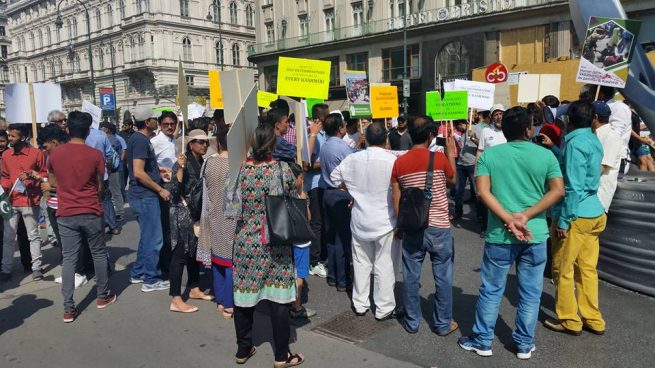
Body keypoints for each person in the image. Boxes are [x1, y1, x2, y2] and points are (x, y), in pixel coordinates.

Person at [458, 107, 564, 360]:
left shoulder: (490, 157)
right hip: (534, 233)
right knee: (530, 291)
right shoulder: (546, 155)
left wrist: (508, 218)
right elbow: (557, 190)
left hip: (500, 233)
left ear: (503, 130)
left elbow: (482, 192)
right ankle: (524, 344)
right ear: (529, 129)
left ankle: (483, 340)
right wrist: (526, 216)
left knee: (491, 289)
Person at [231, 123, 304, 367]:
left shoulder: (241, 171)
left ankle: (243, 349)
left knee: (243, 298)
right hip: (275, 241)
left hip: (245, 243)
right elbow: (295, 196)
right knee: (279, 300)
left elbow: (229, 209)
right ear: (273, 144)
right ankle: (281, 356)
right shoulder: (281, 169)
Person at [391, 115, 458, 336]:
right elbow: (453, 180)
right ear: (431, 135)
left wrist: (401, 224)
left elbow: (396, 195)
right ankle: (442, 324)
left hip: (412, 226)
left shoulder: (399, 163)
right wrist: (450, 155)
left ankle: (412, 322)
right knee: (443, 277)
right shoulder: (438, 160)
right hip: (439, 226)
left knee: (411, 276)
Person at [47, 111, 117, 323]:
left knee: (69, 258)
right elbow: (99, 185)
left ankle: (68, 308)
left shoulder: (55, 155)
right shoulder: (95, 155)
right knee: (98, 253)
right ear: (88, 131)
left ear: (67, 129)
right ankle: (102, 296)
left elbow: (52, 182)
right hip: (90, 210)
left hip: (66, 211)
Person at [544, 101, 607, 336]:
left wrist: (563, 221)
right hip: (594, 212)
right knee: (587, 269)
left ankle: (570, 320)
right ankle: (593, 318)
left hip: (576, 215)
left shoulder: (574, 143)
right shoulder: (593, 139)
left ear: (569, 120)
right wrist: (556, 149)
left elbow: (572, 186)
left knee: (563, 268)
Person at [331, 122, 399, 320]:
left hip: (361, 219)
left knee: (361, 264)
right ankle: (384, 307)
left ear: (365, 139)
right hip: (386, 220)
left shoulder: (352, 159)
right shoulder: (392, 160)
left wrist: (352, 190)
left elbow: (334, 178)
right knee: (385, 264)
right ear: (386, 140)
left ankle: (360, 303)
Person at [166, 130, 212, 313]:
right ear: (191, 143)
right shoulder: (181, 163)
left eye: (206, 142)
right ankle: (176, 298)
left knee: (193, 253)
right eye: (200, 142)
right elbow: (174, 191)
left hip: (195, 212)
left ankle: (194, 287)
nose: (204, 145)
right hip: (181, 213)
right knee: (179, 256)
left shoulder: (201, 161)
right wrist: (181, 168)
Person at [127, 106, 170, 292]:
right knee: (154, 239)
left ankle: (138, 272)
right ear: (147, 122)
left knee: (147, 237)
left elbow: (142, 169)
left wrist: (156, 173)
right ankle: (151, 279)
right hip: (144, 196)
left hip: (143, 195)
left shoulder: (141, 139)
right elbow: (138, 172)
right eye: (154, 118)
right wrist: (160, 188)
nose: (157, 120)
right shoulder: (140, 141)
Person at [196, 121, 237, 319]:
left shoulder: (209, 162)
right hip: (231, 217)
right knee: (230, 262)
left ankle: (221, 300)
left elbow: (205, 193)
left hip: (212, 214)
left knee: (217, 260)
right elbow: (233, 201)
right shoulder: (236, 165)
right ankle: (229, 304)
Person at [0, 124, 47, 282]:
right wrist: (6, 186)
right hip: (11, 201)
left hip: (30, 200)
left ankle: (37, 268)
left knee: (33, 235)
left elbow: (44, 173)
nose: (9, 138)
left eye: (12, 136)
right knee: (8, 237)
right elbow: (5, 175)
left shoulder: (36, 153)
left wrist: (33, 176)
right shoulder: (6, 155)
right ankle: (6, 269)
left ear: (22, 137)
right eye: (9, 135)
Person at [319, 113, 355, 291]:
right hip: (341, 193)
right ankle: (342, 279)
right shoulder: (342, 147)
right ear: (340, 128)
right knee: (342, 238)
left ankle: (333, 275)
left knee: (332, 237)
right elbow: (352, 170)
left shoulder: (325, 146)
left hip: (328, 193)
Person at [288, 162, 317, 319]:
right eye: (301, 178)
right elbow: (309, 217)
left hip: (287, 241)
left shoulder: (282, 195)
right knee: (299, 274)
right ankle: (297, 306)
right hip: (301, 241)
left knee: (289, 271)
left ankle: (286, 301)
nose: (303, 181)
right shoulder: (300, 196)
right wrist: (303, 195)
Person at [306, 103, 330, 278]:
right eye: (327, 116)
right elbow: (308, 164)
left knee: (322, 222)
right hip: (314, 184)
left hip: (324, 184)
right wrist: (327, 163)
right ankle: (314, 261)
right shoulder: (313, 136)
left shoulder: (324, 135)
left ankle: (321, 256)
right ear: (320, 118)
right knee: (316, 223)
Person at [85, 119, 119, 235]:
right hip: (102, 173)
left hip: (86, 175)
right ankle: (113, 226)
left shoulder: (78, 137)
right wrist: (108, 169)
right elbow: (110, 154)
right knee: (106, 200)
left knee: (90, 200)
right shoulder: (101, 134)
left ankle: (96, 228)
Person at [476, 104, 506, 236]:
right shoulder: (486, 131)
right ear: (492, 117)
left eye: (501, 114)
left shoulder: (509, 130)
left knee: (503, 198)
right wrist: (476, 172)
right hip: (488, 172)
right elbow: (480, 151)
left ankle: (504, 223)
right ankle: (485, 226)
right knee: (485, 198)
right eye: (496, 114)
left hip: (506, 173)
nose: (499, 117)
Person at [590, 101, 623, 212]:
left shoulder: (611, 136)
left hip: (598, 196)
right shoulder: (594, 133)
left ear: (595, 117)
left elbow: (602, 167)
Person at [598, 86, 631, 175]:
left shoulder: (619, 108)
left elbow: (616, 135)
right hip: (603, 156)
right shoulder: (603, 106)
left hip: (614, 158)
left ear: (601, 94)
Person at [100, 122, 126, 226]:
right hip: (112, 169)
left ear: (106, 129)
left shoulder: (111, 139)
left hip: (111, 170)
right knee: (114, 191)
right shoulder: (112, 138)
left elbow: (111, 155)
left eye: (101, 127)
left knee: (114, 191)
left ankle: (119, 212)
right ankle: (117, 212)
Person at [453, 119, 478, 220]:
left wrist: (472, 138)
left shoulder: (476, 129)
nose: (459, 127)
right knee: (458, 190)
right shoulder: (461, 134)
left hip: (472, 164)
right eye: (457, 125)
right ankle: (458, 211)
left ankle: (480, 215)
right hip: (461, 164)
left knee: (477, 191)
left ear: (466, 123)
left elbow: (483, 145)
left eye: (460, 124)